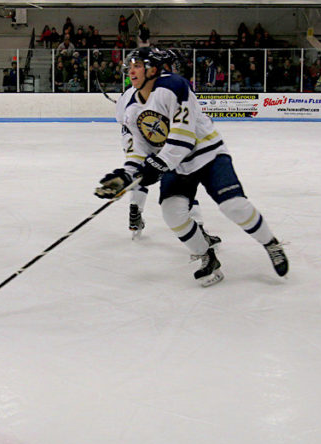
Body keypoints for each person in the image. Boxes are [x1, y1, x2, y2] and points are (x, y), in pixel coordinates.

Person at [94, 46, 288, 287]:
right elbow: (138, 148)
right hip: (175, 164)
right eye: (130, 66)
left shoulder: (173, 86)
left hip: (207, 155)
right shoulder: (131, 107)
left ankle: (271, 243)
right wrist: (127, 174)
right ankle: (207, 255)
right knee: (172, 213)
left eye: (137, 65)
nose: (131, 70)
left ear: (152, 69)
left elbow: (183, 137)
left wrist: (157, 165)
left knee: (233, 206)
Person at [115, 48, 220, 244]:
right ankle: (199, 230)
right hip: (166, 146)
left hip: (135, 144)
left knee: (139, 176)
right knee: (183, 185)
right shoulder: (172, 88)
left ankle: (135, 210)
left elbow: (124, 123)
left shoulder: (128, 95)